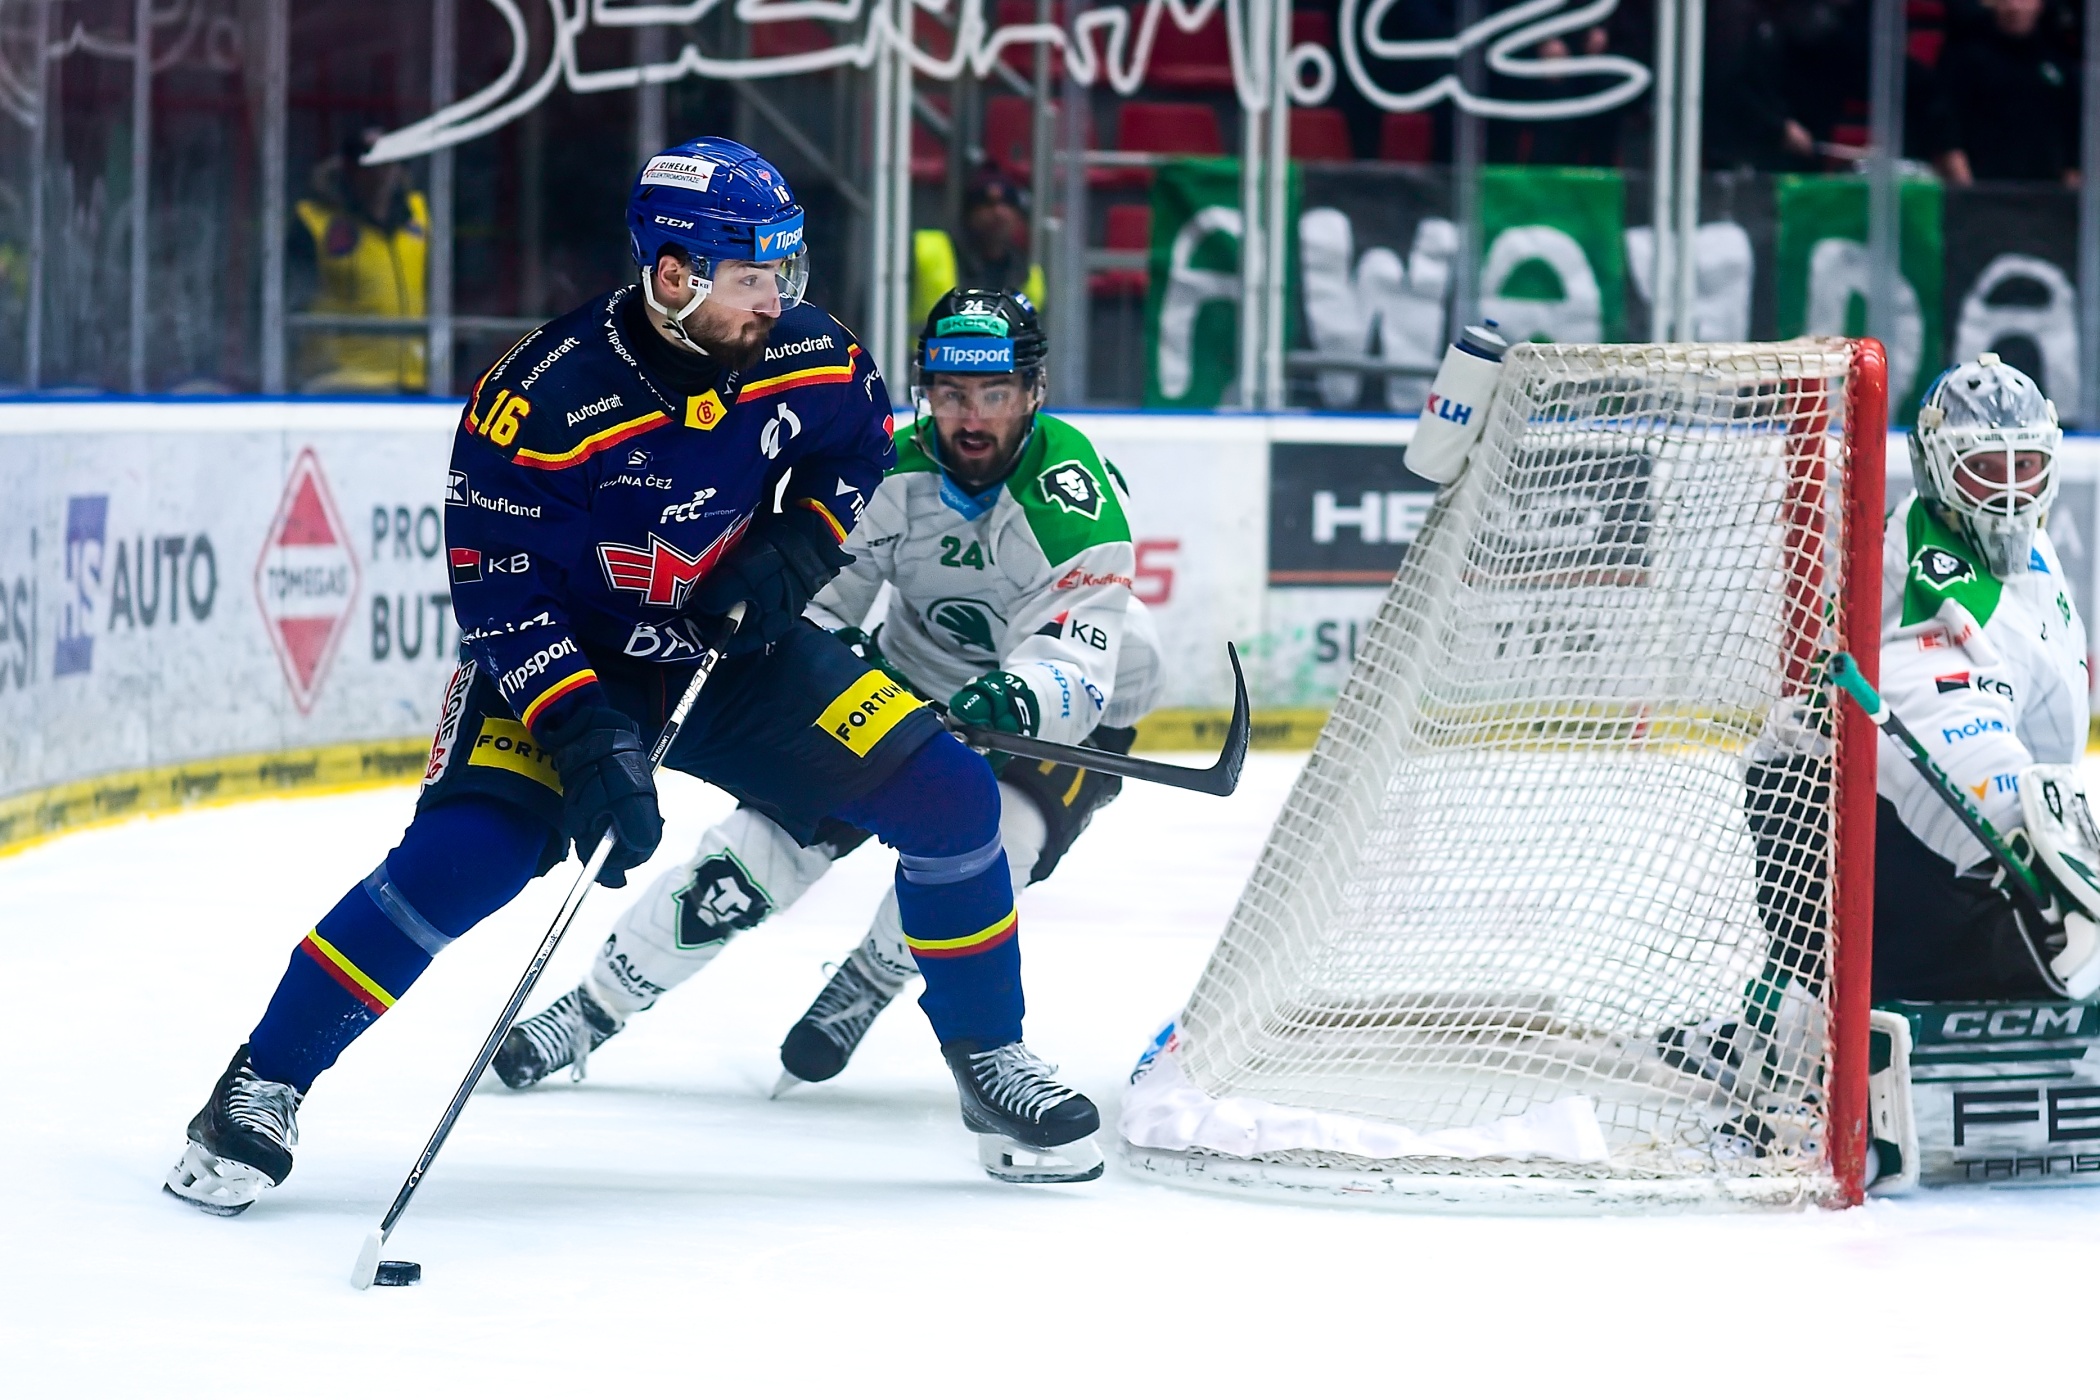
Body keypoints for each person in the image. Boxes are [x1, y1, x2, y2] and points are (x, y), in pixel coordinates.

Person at [162, 139, 1102, 1217]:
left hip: (729, 653)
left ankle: (990, 1056)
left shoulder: (807, 350)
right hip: (569, 663)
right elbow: (501, 597)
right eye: (752, 278)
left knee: (952, 797)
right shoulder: (539, 399)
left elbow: (856, 445)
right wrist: (583, 734)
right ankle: (262, 1082)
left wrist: (799, 545)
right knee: (466, 859)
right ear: (673, 274)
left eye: (785, 272)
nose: (778, 300)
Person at [494, 288, 1157, 1139]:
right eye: (951, 394)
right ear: (925, 390)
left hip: (1056, 711)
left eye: (993, 393)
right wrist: (846, 658)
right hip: (911, 681)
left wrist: (1022, 699)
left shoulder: (1074, 498)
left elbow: (1081, 666)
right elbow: (818, 605)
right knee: (755, 854)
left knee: (999, 844)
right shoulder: (891, 471)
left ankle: (872, 980)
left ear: (1033, 391)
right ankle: (593, 1008)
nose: (971, 418)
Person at [1661, 356, 2087, 1148]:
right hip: (1849, 820)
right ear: (1938, 468)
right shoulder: (1934, 571)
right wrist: (2043, 856)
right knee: (2014, 944)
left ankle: (1791, 1023)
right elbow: (1949, 710)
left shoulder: (2020, 547)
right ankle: (1798, 1050)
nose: (2008, 491)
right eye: (1985, 469)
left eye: (2025, 465)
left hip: (1877, 811)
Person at [291, 128, 430, 393]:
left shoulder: (420, 215)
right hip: (341, 384)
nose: (379, 173)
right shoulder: (315, 221)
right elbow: (289, 302)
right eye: (366, 163)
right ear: (346, 169)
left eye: (388, 162)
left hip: (413, 383)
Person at [1933, 0, 2081, 186]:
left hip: (2047, 187)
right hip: (1983, 185)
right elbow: (1948, 125)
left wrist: (2073, 179)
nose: (2014, 7)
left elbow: (2073, 125)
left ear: (2039, 4)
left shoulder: (2058, 60)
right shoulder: (1965, 57)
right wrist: (1965, 187)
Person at [910, 169, 1046, 331]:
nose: (999, 213)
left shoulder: (1029, 274)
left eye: (1008, 204)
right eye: (987, 204)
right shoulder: (929, 250)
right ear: (969, 213)